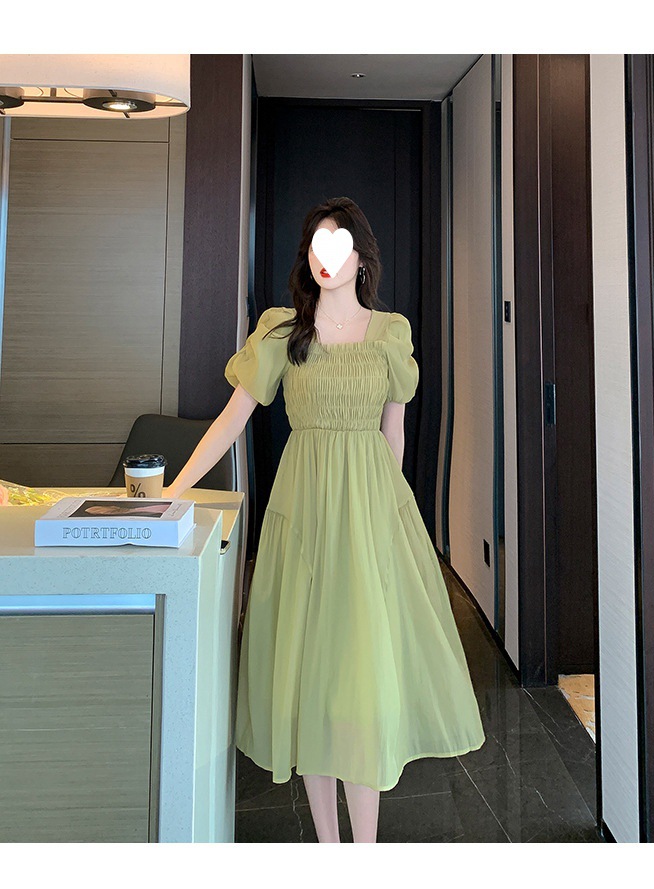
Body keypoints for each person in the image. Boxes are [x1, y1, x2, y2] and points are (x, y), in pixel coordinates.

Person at [162, 197, 485, 842]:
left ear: (362, 258)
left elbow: (394, 434)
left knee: (360, 676)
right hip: (305, 509)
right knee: (311, 673)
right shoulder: (282, 330)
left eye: (336, 245)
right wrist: (175, 488)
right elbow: (232, 420)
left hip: (369, 510)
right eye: (314, 245)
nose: (324, 258)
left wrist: (390, 514)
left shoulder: (390, 333)